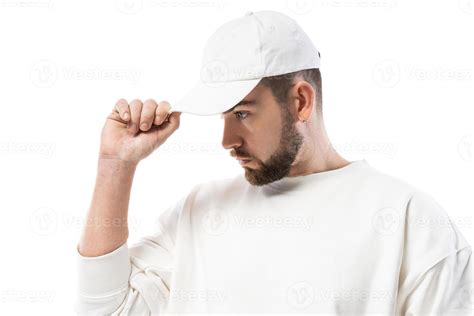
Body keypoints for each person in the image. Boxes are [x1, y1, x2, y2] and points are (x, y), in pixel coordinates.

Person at [75, 10, 472, 315]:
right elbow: (109, 309)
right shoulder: (200, 210)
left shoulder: (410, 220)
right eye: (223, 116)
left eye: (243, 113)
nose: (227, 140)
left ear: (300, 101)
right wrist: (115, 165)